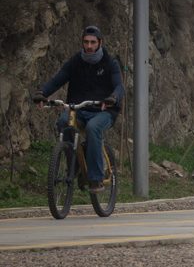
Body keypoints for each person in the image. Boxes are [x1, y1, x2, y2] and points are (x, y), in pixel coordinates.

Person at [33, 25, 125, 193]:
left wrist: (113, 98)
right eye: (86, 42)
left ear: (100, 43)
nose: (89, 46)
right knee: (63, 122)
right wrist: (42, 93)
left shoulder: (110, 63)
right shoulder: (75, 62)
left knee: (93, 127)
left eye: (93, 42)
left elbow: (119, 86)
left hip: (104, 110)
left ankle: (96, 179)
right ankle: (73, 164)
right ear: (82, 42)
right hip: (79, 109)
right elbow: (57, 80)